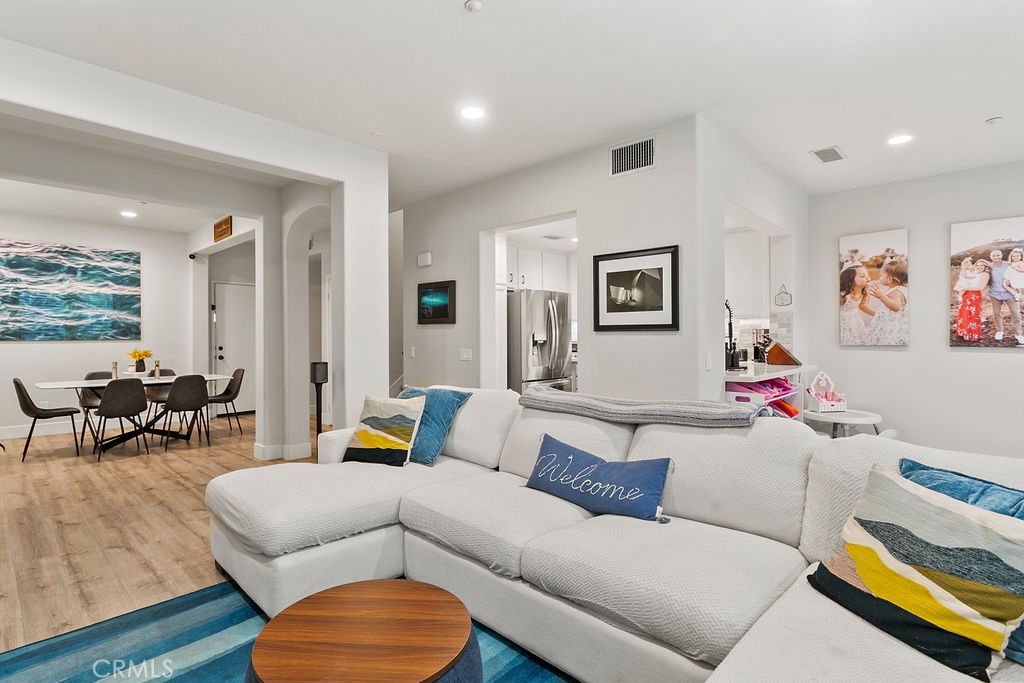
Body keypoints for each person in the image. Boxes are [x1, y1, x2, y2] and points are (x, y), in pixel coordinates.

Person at [864, 259, 909, 345]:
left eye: (881, 275)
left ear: (889, 279)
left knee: (885, 338)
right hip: (892, 321)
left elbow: (896, 307)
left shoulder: (896, 292)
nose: (879, 277)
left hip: (890, 323)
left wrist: (881, 296)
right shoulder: (899, 289)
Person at [987, 249, 1024, 344]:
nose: (996, 257)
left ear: (1001, 255)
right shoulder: (989, 267)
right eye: (993, 255)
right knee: (996, 314)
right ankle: (1000, 331)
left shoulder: (1009, 264)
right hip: (994, 294)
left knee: (1016, 314)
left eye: (997, 255)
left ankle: (1018, 334)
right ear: (990, 257)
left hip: (1010, 293)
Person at [956, 259, 990, 342]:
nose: (979, 267)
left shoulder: (985, 274)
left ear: (985, 266)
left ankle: (972, 334)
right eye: (977, 265)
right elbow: (965, 278)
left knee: (973, 314)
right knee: (964, 313)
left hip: (974, 296)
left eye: (981, 265)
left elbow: (980, 288)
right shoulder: (974, 273)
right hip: (966, 295)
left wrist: (964, 288)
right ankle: (963, 332)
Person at [839, 263, 873, 345]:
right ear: (850, 281)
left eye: (867, 275)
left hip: (855, 320)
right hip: (843, 321)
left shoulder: (863, 293)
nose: (867, 277)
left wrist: (876, 314)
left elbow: (863, 306)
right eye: (862, 276)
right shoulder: (843, 295)